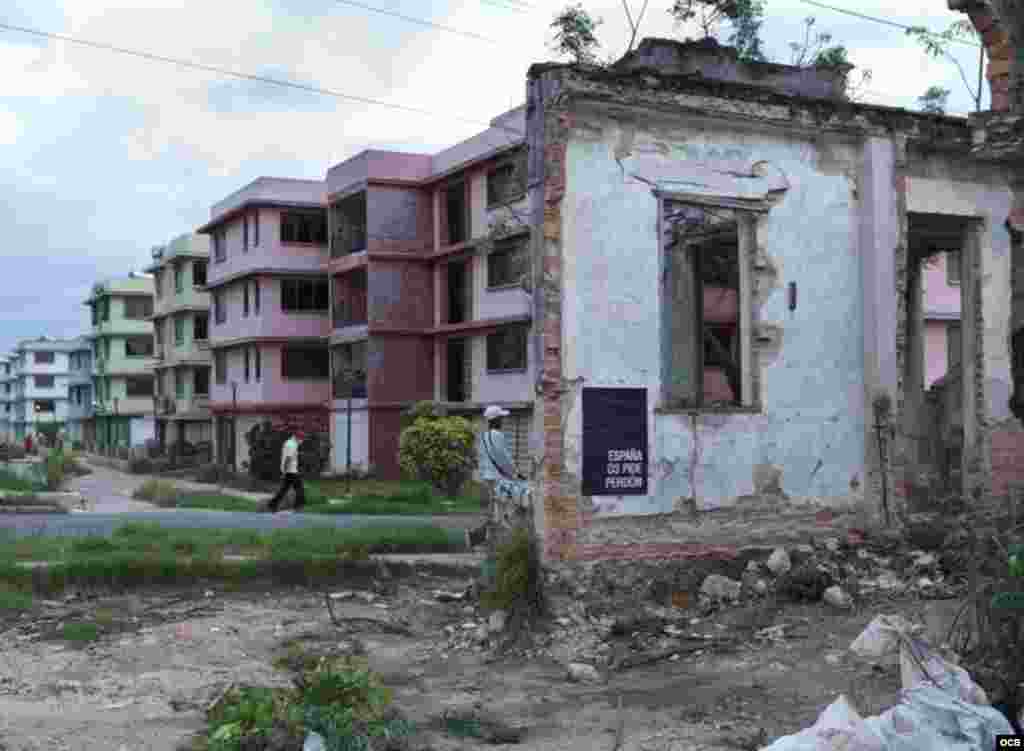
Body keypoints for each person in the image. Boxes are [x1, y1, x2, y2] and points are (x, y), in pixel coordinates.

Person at [466, 406, 532, 549]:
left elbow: (483, 458)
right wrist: (516, 473)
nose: (503, 420)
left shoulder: (483, 437)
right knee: (507, 509)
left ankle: (483, 539)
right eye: (501, 418)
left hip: (488, 478)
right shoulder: (498, 435)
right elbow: (504, 458)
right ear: (496, 420)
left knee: (495, 509)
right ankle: (501, 541)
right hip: (500, 478)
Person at [267, 429, 306, 513]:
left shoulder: (291, 443)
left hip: (290, 470)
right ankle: (298, 506)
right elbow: (288, 459)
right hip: (290, 471)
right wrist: (284, 471)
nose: (302, 441)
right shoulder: (291, 445)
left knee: (284, 490)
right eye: (301, 439)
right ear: (297, 438)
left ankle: (272, 505)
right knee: (300, 489)